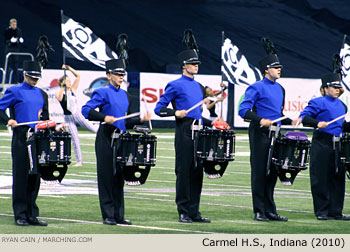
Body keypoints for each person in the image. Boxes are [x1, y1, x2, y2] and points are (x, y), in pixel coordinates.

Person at [82, 59, 151, 225]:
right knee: (106, 177)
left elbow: (125, 122)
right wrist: (104, 117)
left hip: (122, 139)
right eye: (117, 74)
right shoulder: (102, 92)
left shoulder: (126, 95)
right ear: (108, 75)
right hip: (106, 137)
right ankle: (108, 215)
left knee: (119, 177)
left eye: (122, 74)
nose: (121, 77)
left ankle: (119, 215)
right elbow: (86, 110)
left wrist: (141, 120)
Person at [154, 49, 213, 223]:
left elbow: (198, 114)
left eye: (197, 64)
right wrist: (175, 112)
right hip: (185, 130)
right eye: (193, 64)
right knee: (184, 171)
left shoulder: (199, 86)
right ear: (184, 66)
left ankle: (194, 211)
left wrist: (212, 123)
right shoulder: (175, 85)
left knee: (197, 171)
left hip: (199, 130)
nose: (196, 66)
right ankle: (183, 211)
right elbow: (159, 108)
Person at [238, 51, 294, 222]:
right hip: (260, 133)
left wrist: (290, 120)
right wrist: (260, 119)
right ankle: (259, 211)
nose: (279, 70)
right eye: (276, 67)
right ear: (266, 70)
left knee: (273, 172)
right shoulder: (256, 87)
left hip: (276, 133)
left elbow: (279, 113)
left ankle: (270, 210)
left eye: (280, 67)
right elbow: (243, 110)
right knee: (260, 171)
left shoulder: (281, 88)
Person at [0, 60, 48, 226]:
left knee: (35, 176)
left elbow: (45, 117)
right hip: (21, 137)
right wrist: (9, 120)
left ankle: (32, 214)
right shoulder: (14, 91)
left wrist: (53, 126)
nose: (34, 80)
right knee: (21, 176)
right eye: (31, 77)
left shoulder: (42, 94)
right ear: (24, 75)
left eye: (37, 78)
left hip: (38, 138)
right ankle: (20, 214)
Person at [299, 71, 350, 221]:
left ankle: (336, 211)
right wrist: (317, 123)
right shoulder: (317, 102)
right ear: (325, 88)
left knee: (338, 177)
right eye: (334, 87)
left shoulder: (342, 106)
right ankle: (321, 210)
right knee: (320, 177)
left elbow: (341, 126)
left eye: (338, 87)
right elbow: (304, 117)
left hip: (338, 143)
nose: (337, 90)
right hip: (322, 142)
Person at [56, 64, 98, 167]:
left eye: (69, 80)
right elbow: (60, 98)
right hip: (68, 118)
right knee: (75, 139)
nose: (69, 82)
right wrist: (63, 86)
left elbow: (78, 76)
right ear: (62, 83)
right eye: (67, 80)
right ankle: (79, 161)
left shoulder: (73, 90)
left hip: (77, 115)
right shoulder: (60, 92)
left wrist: (69, 68)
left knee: (94, 129)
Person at [3, 18, 24, 84]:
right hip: (9, 49)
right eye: (13, 24)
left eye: (15, 24)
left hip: (16, 50)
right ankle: (6, 81)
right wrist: (10, 41)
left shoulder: (19, 30)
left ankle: (15, 81)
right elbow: (5, 40)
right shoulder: (7, 30)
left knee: (15, 66)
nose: (14, 26)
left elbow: (20, 37)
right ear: (10, 24)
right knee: (8, 65)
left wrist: (20, 40)